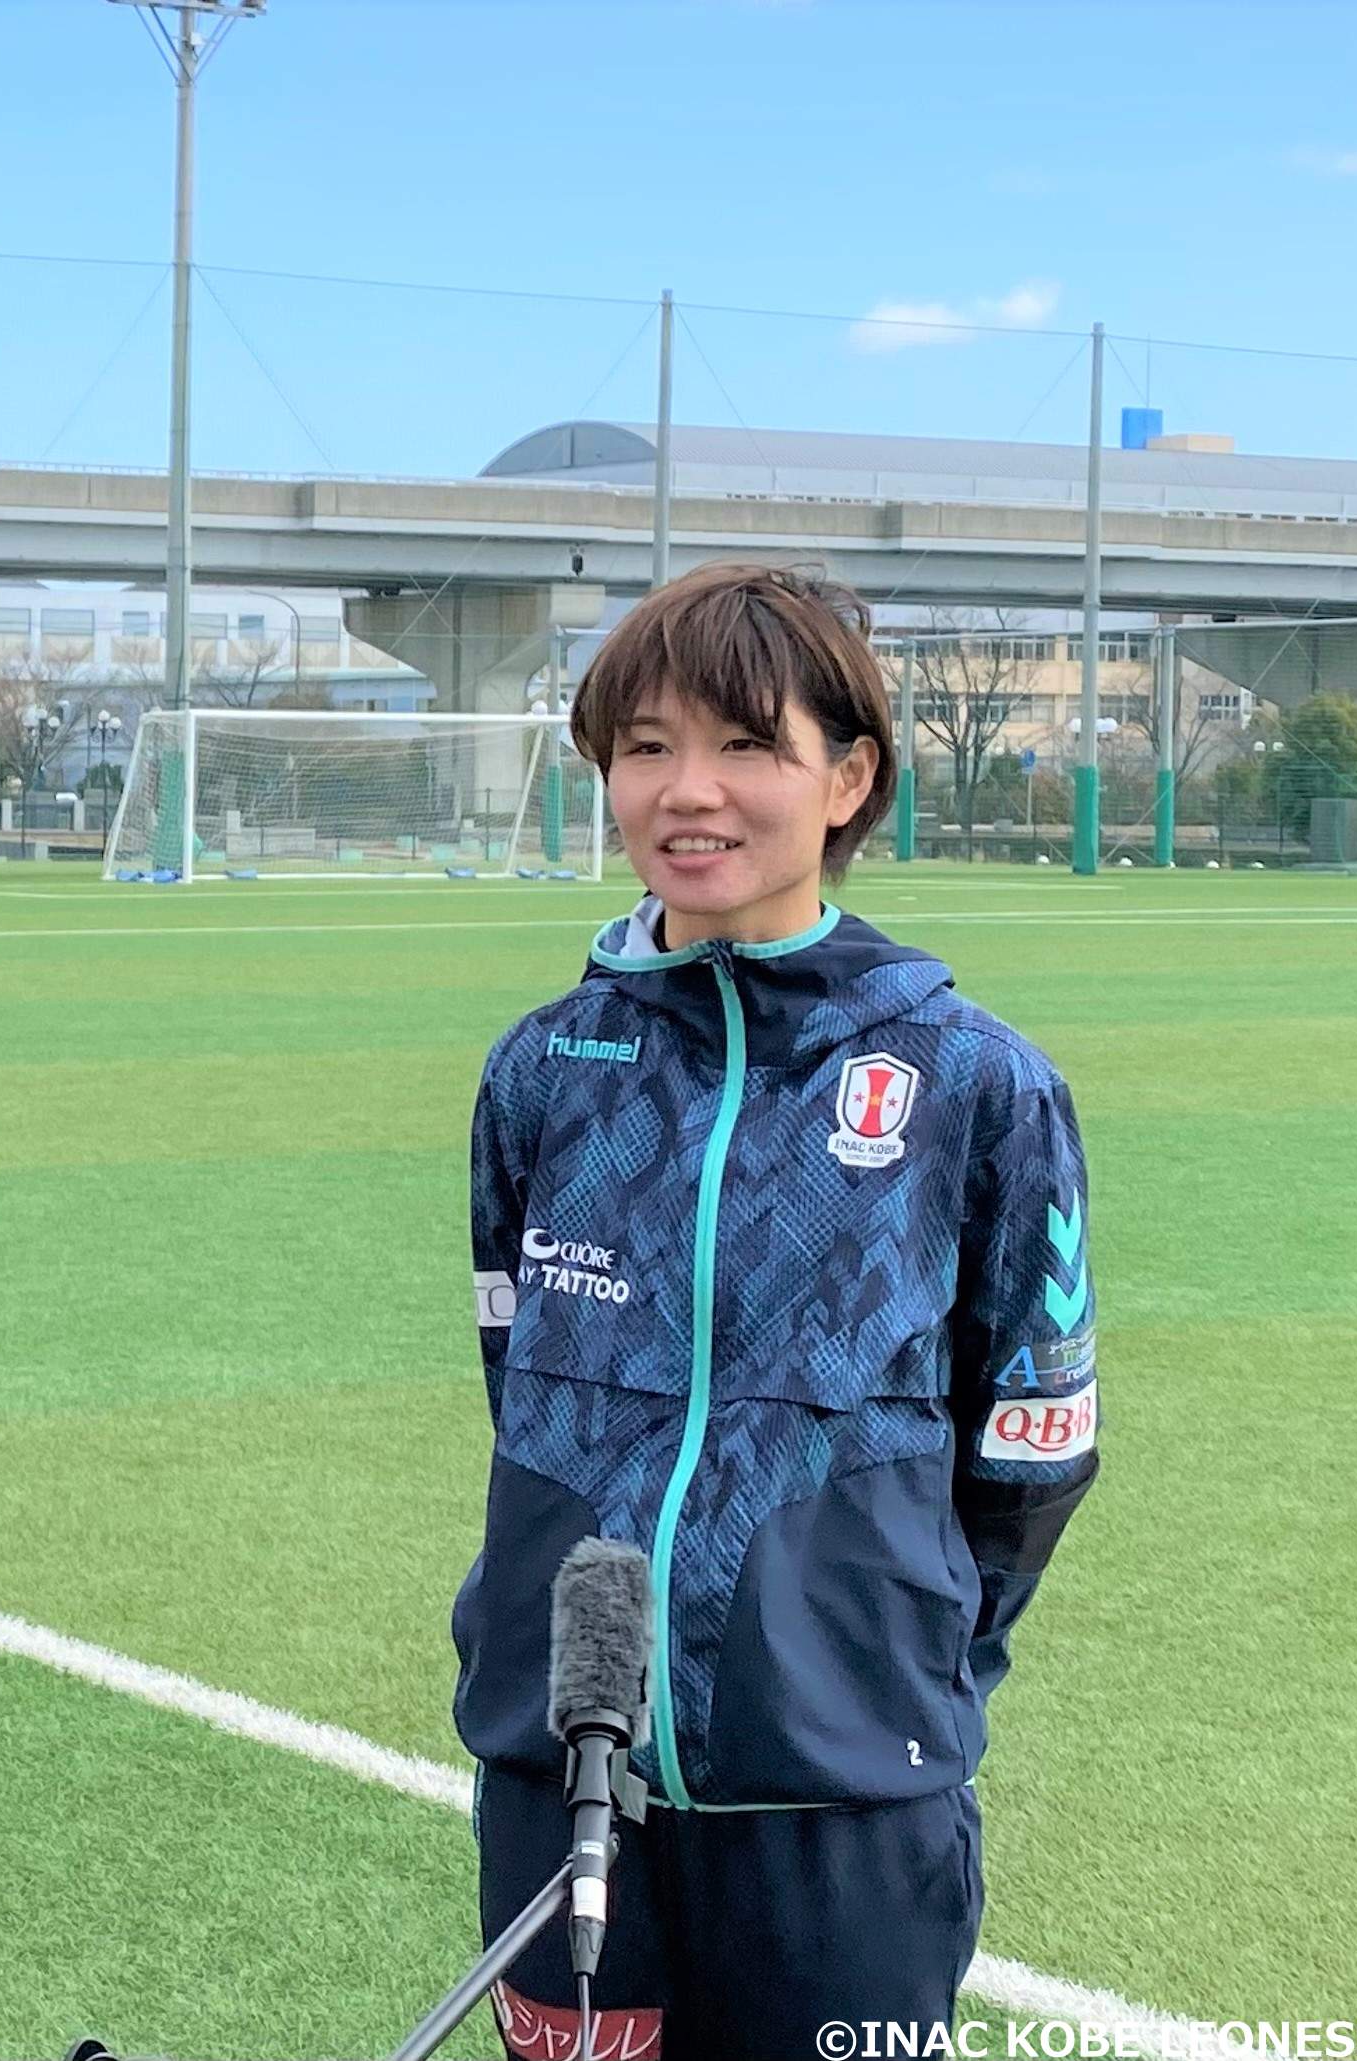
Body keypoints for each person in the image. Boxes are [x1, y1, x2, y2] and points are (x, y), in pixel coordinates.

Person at [452, 562, 1100, 2059]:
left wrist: (881, 1653)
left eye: (747, 744)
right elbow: (517, 1379)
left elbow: (1033, 1449)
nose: (692, 790)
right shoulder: (541, 1073)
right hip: (563, 1783)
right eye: (647, 746)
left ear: (849, 772)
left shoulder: (976, 1086)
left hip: (844, 1806)